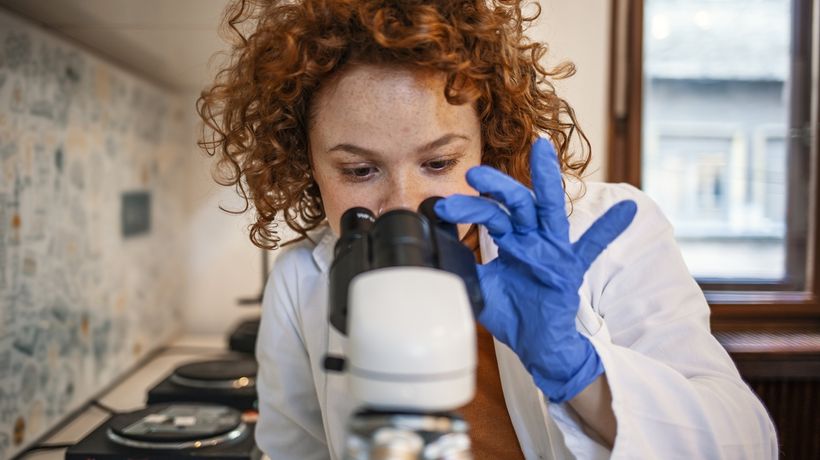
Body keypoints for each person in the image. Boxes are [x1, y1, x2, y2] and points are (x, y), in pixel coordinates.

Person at [197, 1, 778, 458]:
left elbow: (747, 446)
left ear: (488, 142)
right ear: (307, 165)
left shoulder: (607, 233)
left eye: (438, 163)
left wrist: (577, 369)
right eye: (358, 170)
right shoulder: (302, 281)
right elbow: (296, 452)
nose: (404, 205)